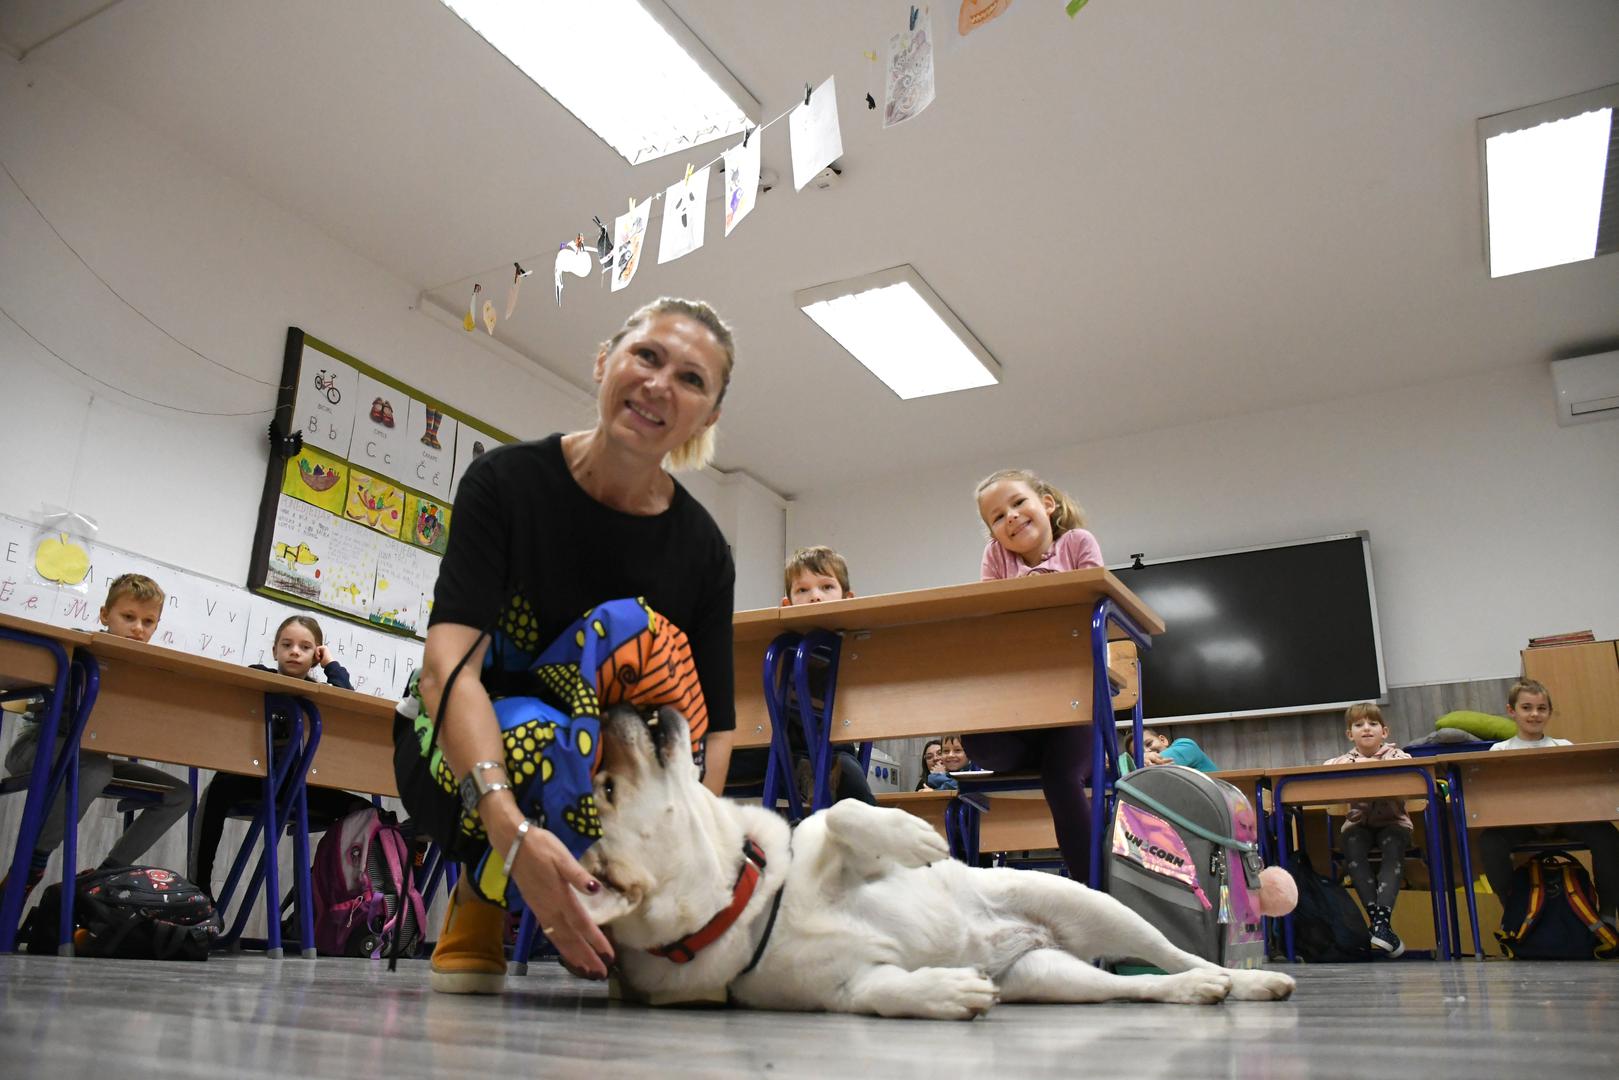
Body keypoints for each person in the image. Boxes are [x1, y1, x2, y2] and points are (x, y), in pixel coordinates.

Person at [394, 297, 738, 993]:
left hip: (607, 764)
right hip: (460, 751)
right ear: (604, 360)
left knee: (614, 737)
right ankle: (482, 889)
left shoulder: (703, 550)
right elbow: (445, 670)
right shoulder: (506, 485)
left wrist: (676, 856)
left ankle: (604, 911)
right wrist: (506, 826)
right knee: (546, 734)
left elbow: (713, 730)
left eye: (692, 379)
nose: (659, 383)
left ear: (707, 417)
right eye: (646, 355)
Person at [2, 574, 189, 897]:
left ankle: (104, 876)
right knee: (94, 768)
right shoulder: (73, 648)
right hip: (36, 747)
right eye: (128, 617)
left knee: (180, 794)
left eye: (148, 622)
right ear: (105, 615)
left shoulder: (146, 668)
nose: (138, 629)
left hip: (92, 759)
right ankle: (32, 865)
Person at [963, 468, 1103, 882]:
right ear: (992, 532)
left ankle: (1094, 892)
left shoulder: (1076, 543)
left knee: (1059, 777)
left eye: (1018, 503)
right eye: (996, 516)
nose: (1010, 516)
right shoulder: (996, 556)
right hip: (1024, 707)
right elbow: (995, 620)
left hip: (1075, 707)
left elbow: (1092, 599)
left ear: (1047, 503)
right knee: (977, 743)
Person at [190, 614, 369, 900]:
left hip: (300, 786)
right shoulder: (259, 676)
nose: (295, 651)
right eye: (287, 645)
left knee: (362, 809)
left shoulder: (321, 695)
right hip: (258, 780)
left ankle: (325, 897)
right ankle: (199, 887)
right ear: (275, 650)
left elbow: (348, 701)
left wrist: (331, 665)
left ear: (316, 655)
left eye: (306, 647)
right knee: (218, 790)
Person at [732, 546, 876, 806]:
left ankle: (873, 845)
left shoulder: (856, 649)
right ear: (786, 604)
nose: (815, 597)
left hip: (829, 749)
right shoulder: (770, 644)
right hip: (769, 747)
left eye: (826, 587)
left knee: (851, 782)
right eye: (803, 590)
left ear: (848, 598)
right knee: (716, 757)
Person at [1478, 679, 1619, 929]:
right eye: (1527, 707)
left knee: (1607, 834)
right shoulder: (1499, 751)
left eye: (1541, 708)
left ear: (1549, 712)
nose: (1535, 714)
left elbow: (1579, 790)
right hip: (1521, 824)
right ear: (1512, 711)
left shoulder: (1563, 747)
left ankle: (1607, 915)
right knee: (1490, 841)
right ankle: (1512, 912)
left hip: (1566, 820)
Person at [1322, 703, 1411, 957]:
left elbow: (1411, 770)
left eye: (1372, 724)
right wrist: (1358, 762)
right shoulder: (1346, 760)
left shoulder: (1397, 757)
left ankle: (1380, 923)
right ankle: (1381, 926)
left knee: (1393, 844)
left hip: (1394, 823)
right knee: (1351, 844)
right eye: (1359, 725)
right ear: (1350, 735)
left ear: (1385, 731)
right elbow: (1325, 769)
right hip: (1359, 825)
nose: (1366, 729)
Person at [1141, 728, 1219, 771]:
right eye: (1140, 753)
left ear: (1163, 740)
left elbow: (1159, 763)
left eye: (1149, 744)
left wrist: (1141, 761)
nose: (1147, 751)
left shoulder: (1186, 745)